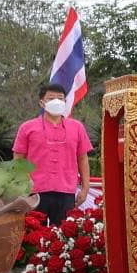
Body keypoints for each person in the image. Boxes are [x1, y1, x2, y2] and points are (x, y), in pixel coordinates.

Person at [12, 81, 93, 228]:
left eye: (60, 98)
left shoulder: (77, 127)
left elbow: (82, 158)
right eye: (51, 98)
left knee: (63, 234)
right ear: (42, 103)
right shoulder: (27, 128)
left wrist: (85, 188)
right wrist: (21, 186)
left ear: (65, 102)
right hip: (34, 191)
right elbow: (18, 160)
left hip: (66, 191)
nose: (56, 101)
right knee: (33, 234)